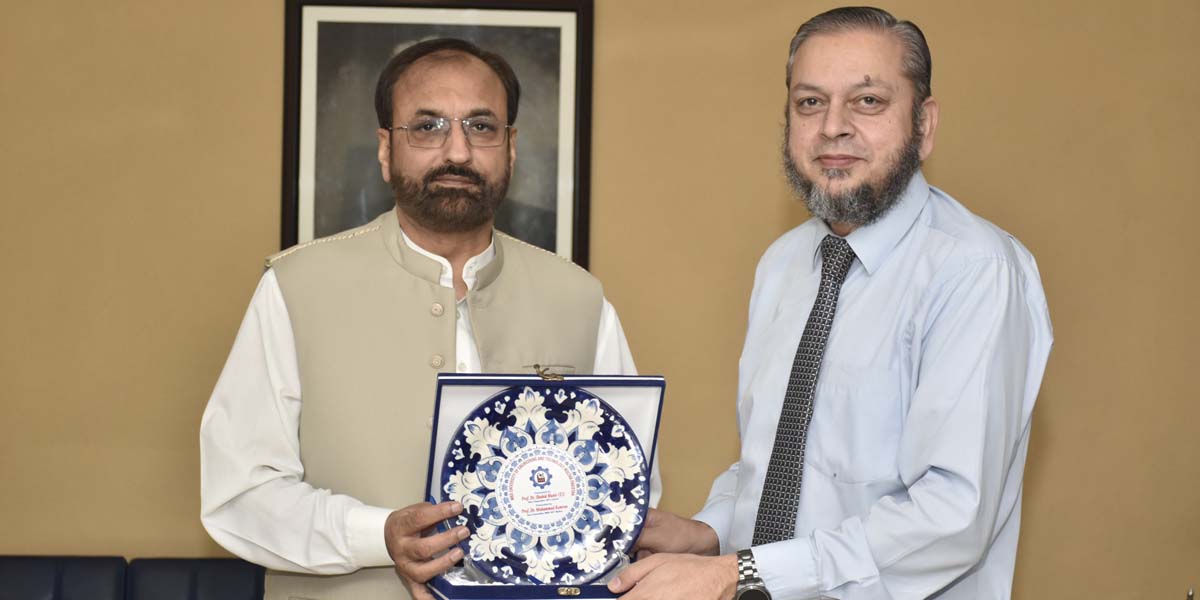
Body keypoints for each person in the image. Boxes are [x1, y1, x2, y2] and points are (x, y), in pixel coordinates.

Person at [609, 7, 1052, 600]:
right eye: (810, 102)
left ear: (923, 125)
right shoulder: (784, 265)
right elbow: (777, 463)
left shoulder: (974, 271)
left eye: (867, 101)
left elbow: (950, 517)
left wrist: (735, 574)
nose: (832, 127)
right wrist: (709, 532)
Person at [200, 38, 654, 600]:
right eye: (428, 126)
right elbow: (239, 495)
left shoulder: (581, 299)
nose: (458, 152)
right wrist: (378, 535)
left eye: (482, 127)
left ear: (511, 148)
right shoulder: (295, 289)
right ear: (386, 149)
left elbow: (628, 488)